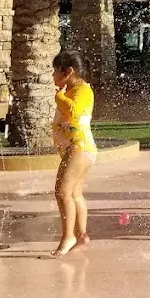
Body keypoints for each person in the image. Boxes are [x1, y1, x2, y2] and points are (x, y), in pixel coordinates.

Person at [50, 50, 96, 257]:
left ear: (68, 72)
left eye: (55, 71)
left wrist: (58, 96)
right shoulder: (72, 89)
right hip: (76, 148)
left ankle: (68, 236)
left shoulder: (83, 90)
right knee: (75, 193)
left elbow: (75, 111)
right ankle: (81, 235)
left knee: (62, 192)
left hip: (79, 147)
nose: (52, 76)